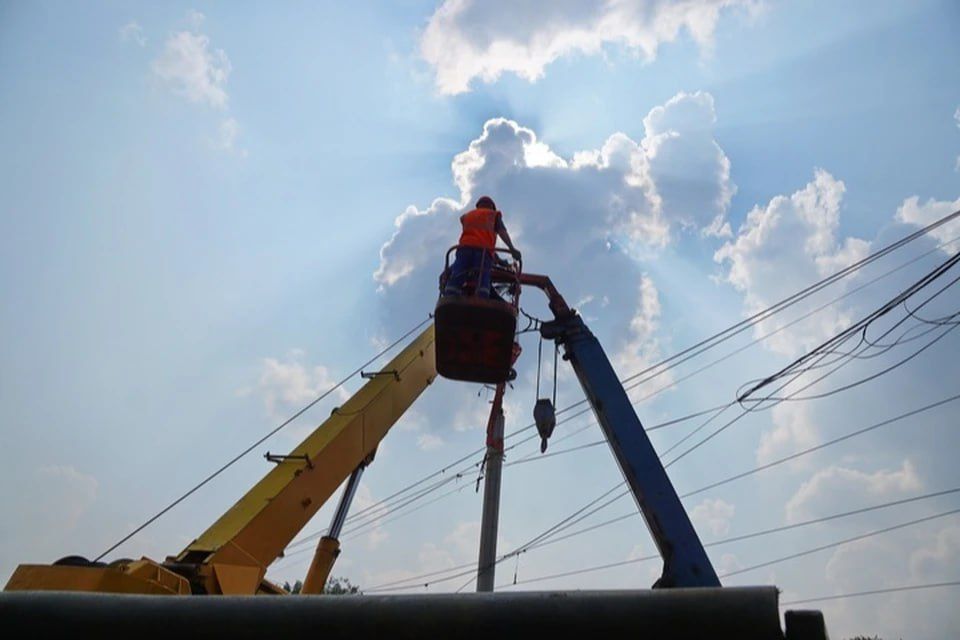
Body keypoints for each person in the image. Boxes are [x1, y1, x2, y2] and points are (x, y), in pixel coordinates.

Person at [443, 196, 520, 297]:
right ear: (492, 207)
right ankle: (482, 298)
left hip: (463, 250)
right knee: (482, 275)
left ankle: (450, 296)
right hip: (482, 252)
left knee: (458, 273)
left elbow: (476, 239)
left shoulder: (468, 216)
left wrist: (499, 260)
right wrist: (512, 249)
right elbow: (502, 232)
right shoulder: (493, 215)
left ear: (478, 206)